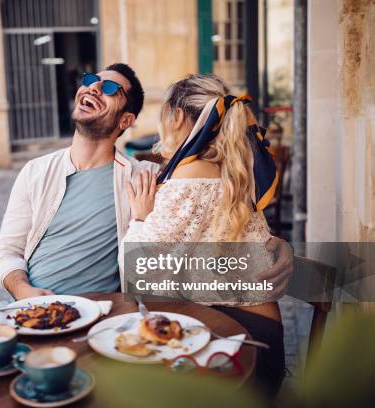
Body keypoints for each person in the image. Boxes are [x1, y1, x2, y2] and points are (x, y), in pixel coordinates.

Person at [0, 65, 292, 407]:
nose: (93, 86)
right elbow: (7, 250)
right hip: (31, 313)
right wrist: (22, 289)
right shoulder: (35, 172)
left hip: (101, 319)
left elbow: (184, 244)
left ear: (127, 121)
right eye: (89, 79)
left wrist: (275, 258)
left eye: (110, 87)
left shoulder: (149, 179)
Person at [123, 74, 287, 396]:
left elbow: (137, 273)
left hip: (239, 348)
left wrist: (140, 219)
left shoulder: (187, 177)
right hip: (265, 339)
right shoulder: (234, 169)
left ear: (179, 116)